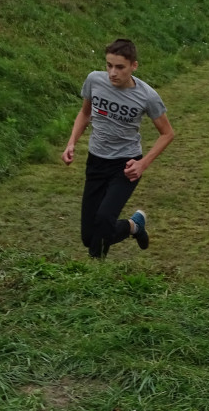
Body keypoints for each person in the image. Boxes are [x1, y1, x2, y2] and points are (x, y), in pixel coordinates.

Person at [61, 38, 175, 259]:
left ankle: (94, 280)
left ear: (134, 66)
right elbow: (85, 113)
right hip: (96, 161)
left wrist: (143, 163)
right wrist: (71, 142)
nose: (113, 72)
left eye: (120, 67)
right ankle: (134, 226)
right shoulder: (94, 81)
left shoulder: (147, 96)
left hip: (126, 165)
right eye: (109, 65)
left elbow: (167, 133)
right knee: (89, 237)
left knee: (103, 221)